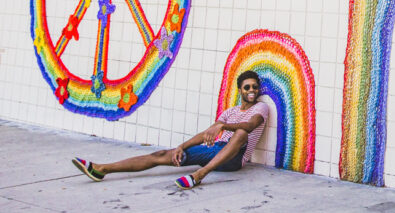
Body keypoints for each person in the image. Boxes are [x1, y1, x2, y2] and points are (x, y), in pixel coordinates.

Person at [71, 70, 270, 189]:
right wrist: (181, 147)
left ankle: (200, 175)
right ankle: (102, 169)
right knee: (163, 154)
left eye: (254, 87)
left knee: (241, 134)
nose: (252, 91)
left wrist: (223, 126)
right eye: (247, 87)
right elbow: (206, 134)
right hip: (214, 151)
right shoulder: (230, 111)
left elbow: (250, 126)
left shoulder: (261, 108)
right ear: (240, 90)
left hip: (233, 159)